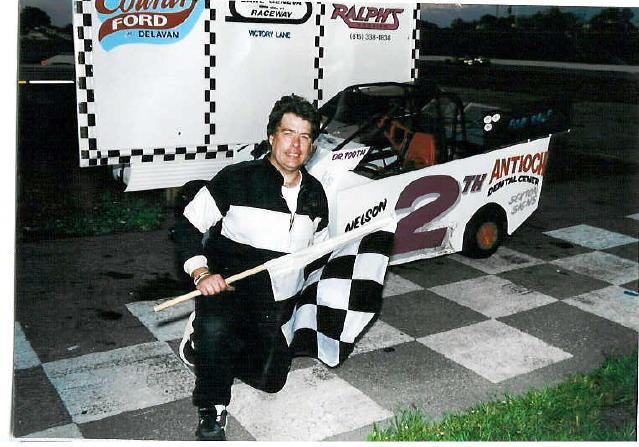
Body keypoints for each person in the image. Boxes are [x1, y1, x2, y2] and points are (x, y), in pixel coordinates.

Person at [174, 94, 329, 441]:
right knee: (217, 328)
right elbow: (186, 226)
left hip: (272, 306)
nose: (295, 145)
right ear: (271, 137)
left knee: (271, 380)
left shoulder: (316, 195)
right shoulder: (236, 178)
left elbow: (318, 251)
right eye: (288, 133)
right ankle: (211, 405)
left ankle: (215, 351)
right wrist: (201, 273)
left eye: (304, 137)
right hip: (228, 289)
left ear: (312, 146)